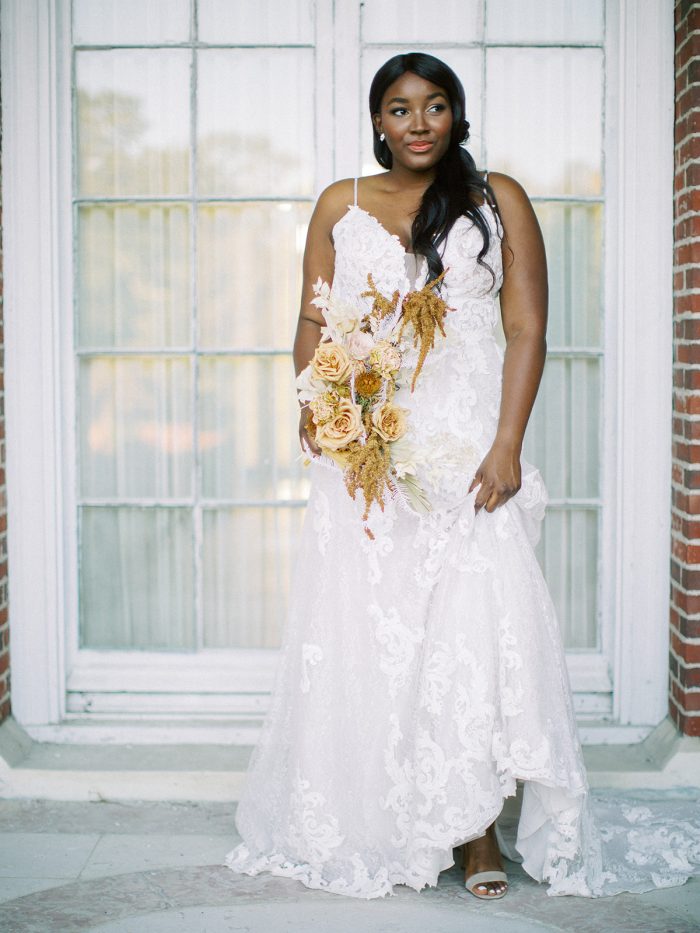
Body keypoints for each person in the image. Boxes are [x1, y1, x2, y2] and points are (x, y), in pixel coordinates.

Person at [224, 52, 700, 901]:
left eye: (435, 106)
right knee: (382, 633)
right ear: (378, 121)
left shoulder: (496, 198)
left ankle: (480, 829)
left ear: (456, 116)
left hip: (468, 452)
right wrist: (318, 406)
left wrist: (508, 442)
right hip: (369, 458)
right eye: (400, 108)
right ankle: (395, 815)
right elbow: (312, 320)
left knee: (472, 637)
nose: (417, 122)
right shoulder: (344, 203)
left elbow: (526, 328)